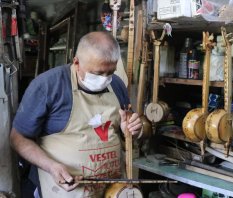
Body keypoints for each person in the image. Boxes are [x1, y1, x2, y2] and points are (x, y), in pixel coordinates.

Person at [10, 31, 142, 197]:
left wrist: (130, 132)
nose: (105, 79)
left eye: (110, 72)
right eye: (98, 73)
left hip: (111, 190)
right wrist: (51, 166)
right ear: (77, 62)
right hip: (62, 190)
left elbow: (126, 133)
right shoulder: (48, 86)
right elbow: (18, 138)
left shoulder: (116, 84)